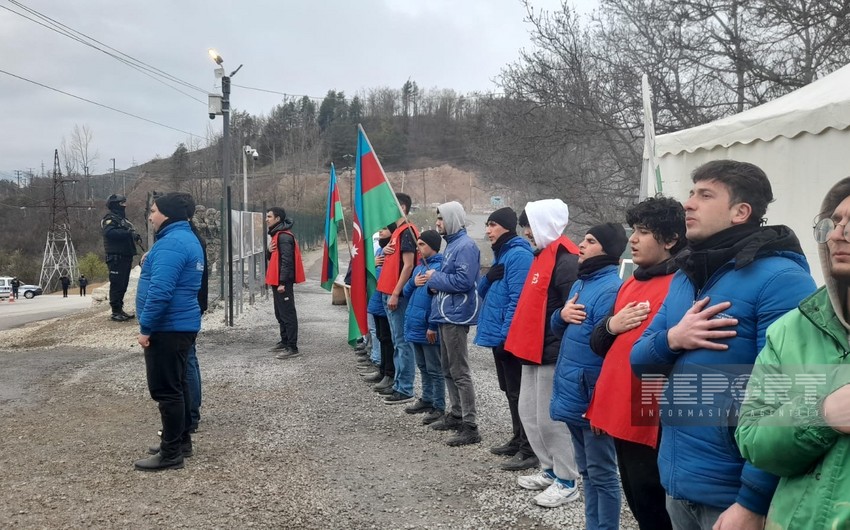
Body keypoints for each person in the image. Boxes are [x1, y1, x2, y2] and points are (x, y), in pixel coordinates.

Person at [631, 160, 816, 530]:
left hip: (735, 497)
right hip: (678, 481)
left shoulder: (782, 280)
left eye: (705, 194)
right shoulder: (687, 277)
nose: (689, 203)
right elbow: (639, 360)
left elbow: (794, 401)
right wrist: (673, 338)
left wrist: (752, 501)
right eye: (691, 192)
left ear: (740, 212)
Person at [735, 177, 850, 529]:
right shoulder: (792, 328)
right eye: (834, 222)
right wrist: (821, 414)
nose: (836, 235)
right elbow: (753, 438)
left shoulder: (777, 277)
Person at [586, 197, 686, 530]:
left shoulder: (683, 285)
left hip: (650, 417)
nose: (633, 239)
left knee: (656, 507)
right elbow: (602, 345)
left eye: (644, 232)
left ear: (670, 240)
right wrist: (611, 325)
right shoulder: (632, 280)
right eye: (634, 231)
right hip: (620, 409)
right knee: (638, 501)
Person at [550, 222, 627, 530]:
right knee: (586, 471)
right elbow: (559, 328)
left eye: (590, 241)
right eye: (583, 239)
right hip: (572, 390)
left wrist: (601, 404)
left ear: (607, 249)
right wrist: (561, 315)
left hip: (591, 397)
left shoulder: (611, 288)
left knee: (603, 473)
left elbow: (608, 349)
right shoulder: (583, 281)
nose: (581, 245)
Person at [505, 199, 581, 508]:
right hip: (531, 350)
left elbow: (572, 310)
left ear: (546, 224)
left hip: (552, 351)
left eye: (530, 225)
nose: (526, 232)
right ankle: (549, 469)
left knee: (551, 420)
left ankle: (567, 479)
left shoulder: (567, 260)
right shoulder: (542, 256)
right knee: (529, 414)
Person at [134, 192, 204, 472]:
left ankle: (171, 452)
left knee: (166, 390)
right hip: (180, 325)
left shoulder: (172, 243)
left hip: (168, 327)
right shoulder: (186, 238)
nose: (150, 216)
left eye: (153, 211)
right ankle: (181, 441)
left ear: (166, 214)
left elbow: (161, 291)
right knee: (180, 386)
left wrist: (146, 328)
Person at [474, 207, 536, 470]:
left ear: (508, 228)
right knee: (510, 392)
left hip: (508, 337)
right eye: (487, 225)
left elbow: (517, 301)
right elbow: (480, 290)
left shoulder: (519, 256)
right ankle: (517, 438)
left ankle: (528, 448)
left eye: (493, 225)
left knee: (519, 392)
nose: (488, 230)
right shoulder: (503, 254)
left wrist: (506, 337)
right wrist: (488, 276)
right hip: (500, 335)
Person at [425, 201, 481, 446]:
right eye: (437, 219)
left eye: (441, 219)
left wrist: (434, 277)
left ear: (453, 219)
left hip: (456, 315)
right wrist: (433, 282)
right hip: (444, 314)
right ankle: (456, 414)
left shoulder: (465, 246)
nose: (438, 223)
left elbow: (463, 281)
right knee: (447, 368)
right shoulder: (452, 244)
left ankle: (470, 425)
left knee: (459, 371)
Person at [376, 193, 419, 405]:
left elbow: (409, 265)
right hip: (388, 293)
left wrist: (395, 292)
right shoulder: (397, 233)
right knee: (396, 341)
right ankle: (398, 384)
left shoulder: (407, 232)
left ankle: (405, 388)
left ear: (401, 207)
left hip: (397, 296)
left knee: (402, 343)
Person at [401, 230, 446, 416]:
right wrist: (413, 282)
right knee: (423, 367)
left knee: (435, 369)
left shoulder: (440, 268)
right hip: (415, 325)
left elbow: (439, 300)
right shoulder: (419, 268)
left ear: (433, 246)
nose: (418, 249)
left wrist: (433, 325)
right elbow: (405, 292)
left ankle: (439, 405)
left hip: (428, 327)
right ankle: (426, 399)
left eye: (422, 245)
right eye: (417, 244)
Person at [266, 207, 305, 359]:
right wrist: (268, 250)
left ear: (277, 219)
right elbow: (275, 257)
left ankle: (292, 347)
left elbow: (287, 261)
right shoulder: (277, 234)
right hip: (277, 280)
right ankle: (284, 341)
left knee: (287, 313)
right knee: (279, 312)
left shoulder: (283, 236)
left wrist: (282, 282)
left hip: (282, 282)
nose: (267, 219)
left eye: (269, 216)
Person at [102, 193, 140, 322]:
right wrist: (127, 233)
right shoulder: (110, 219)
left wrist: (134, 236)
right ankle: (115, 312)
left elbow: (126, 233)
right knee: (117, 284)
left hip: (125, 256)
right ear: (115, 205)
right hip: (116, 257)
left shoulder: (122, 220)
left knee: (123, 284)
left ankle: (120, 309)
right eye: (122, 203)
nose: (125, 205)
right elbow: (109, 233)